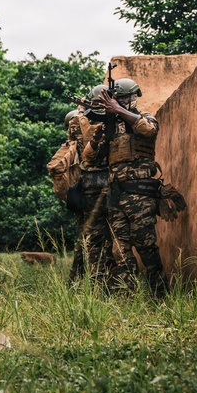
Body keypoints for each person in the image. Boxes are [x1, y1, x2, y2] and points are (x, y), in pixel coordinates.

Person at [84, 78, 165, 295]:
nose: (115, 103)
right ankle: (126, 294)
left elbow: (149, 130)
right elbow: (89, 159)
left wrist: (118, 110)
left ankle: (158, 291)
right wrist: (96, 140)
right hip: (116, 195)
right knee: (119, 248)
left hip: (139, 193)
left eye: (120, 99)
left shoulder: (143, 118)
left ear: (131, 98)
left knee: (145, 244)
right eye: (115, 100)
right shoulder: (110, 128)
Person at [73, 85, 112, 284]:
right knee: (112, 234)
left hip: (93, 183)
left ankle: (97, 280)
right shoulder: (115, 116)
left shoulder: (80, 121)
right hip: (111, 181)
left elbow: (78, 139)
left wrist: (81, 111)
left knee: (94, 235)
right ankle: (107, 280)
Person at [47, 110, 84, 278]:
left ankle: (75, 278)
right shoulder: (76, 147)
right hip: (86, 194)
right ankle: (78, 278)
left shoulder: (69, 147)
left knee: (84, 238)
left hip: (77, 196)